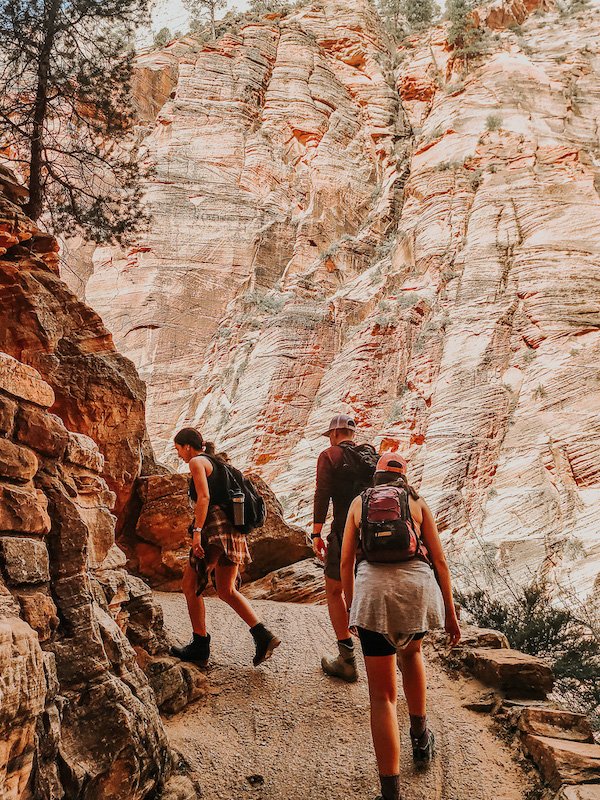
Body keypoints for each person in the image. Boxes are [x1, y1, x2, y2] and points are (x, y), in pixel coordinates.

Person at [340, 452, 461, 800]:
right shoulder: (417, 501)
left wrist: (353, 607)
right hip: (417, 594)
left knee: (382, 697)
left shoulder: (358, 503)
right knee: (412, 653)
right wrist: (451, 615)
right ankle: (421, 738)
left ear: (376, 476)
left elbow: (347, 560)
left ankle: (391, 792)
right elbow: (439, 561)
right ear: (404, 477)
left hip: (373, 598)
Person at [171, 427, 280, 667]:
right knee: (226, 590)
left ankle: (200, 646)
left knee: (191, 585)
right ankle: (264, 636)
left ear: (188, 446)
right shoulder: (219, 464)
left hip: (215, 532)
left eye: (178, 449)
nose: (179, 454)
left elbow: (204, 498)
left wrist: (197, 533)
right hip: (233, 532)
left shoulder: (197, 462)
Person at [312, 413, 375, 682]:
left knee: (335, 589)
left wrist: (316, 532)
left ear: (334, 435)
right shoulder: (371, 456)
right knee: (370, 588)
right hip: (373, 534)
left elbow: (322, 493)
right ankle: (381, 656)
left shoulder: (329, 456)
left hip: (343, 532)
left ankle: (347, 658)